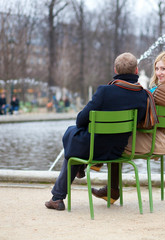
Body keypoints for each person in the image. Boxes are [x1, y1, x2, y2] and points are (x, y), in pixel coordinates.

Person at [45, 52, 156, 211]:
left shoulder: (105, 91)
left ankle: (58, 197)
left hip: (93, 150)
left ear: (115, 70)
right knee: (78, 139)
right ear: (136, 71)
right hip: (119, 150)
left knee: (72, 133)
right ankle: (63, 190)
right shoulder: (142, 96)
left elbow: (81, 120)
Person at [91, 51, 165, 202]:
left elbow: (144, 120)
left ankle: (109, 185)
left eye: (163, 69)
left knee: (116, 136)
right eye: (157, 69)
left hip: (162, 141)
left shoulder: (164, 91)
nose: (159, 73)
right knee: (119, 135)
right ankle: (107, 180)